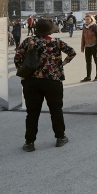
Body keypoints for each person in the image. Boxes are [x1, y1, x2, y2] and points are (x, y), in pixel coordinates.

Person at [14, 18, 76, 152]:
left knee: (32, 113)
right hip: (53, 80)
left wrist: (24, 73)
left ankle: (29, 142)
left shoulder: (28, 41)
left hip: (32, 81)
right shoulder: (56, 42)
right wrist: (62, 64)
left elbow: (17, 58)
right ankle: (60, 137)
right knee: (56, 110)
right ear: (49, 30)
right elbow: (72, 52)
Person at [80, 14, 97, 82]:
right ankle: (88, 77)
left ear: (91, 19)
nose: (86, 21)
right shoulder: (84, 27)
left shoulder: (95, 26)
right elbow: (83, 37)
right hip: (87, 46)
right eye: (85, 19)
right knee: (88, 62)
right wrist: (82, 47)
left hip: (94, 46)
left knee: (96, 61)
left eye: (88, 19)